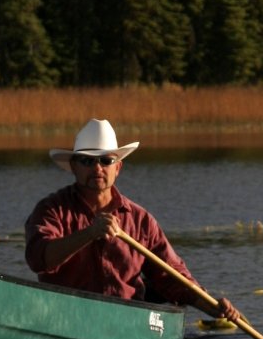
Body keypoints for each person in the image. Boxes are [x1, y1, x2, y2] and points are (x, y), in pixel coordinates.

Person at [25, 118, 241, 322]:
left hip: (128, 321)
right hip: (67, 317)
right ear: (74, 166)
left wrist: (211, 306)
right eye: (87, 161)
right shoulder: (51, 210)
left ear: (117, 168)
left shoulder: (140, 220)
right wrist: (89, 233)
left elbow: (172, 276)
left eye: (106, 160)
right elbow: (39, 259)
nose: (97, 168)